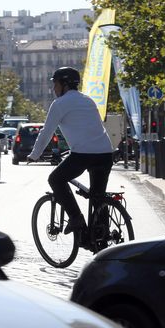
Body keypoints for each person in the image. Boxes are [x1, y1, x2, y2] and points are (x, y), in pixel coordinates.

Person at [27, 67, 113, 240]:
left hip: (83, 154)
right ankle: (101, 239)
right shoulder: (88, 100)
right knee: (98, 197)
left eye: (55, 84)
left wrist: (34, 155)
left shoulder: (59, 104)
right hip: (105, 153)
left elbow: (46, 132)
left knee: (56, 179)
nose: (54, 88)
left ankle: (76, 218)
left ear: (64, 84)